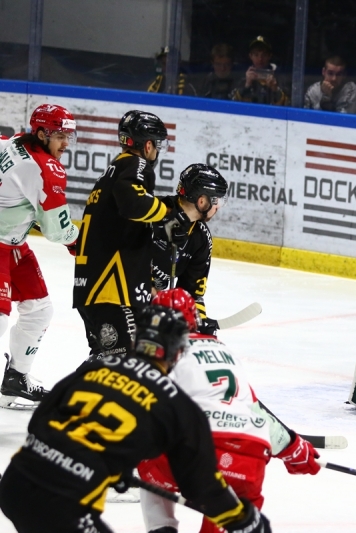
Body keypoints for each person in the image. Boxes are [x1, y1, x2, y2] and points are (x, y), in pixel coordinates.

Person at [0, 305, 270, 533]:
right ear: (178, 352)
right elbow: (199, 483)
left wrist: (105, 461)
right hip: (64, 503)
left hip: (14, 483)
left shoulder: (94, 368)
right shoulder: (175, 404)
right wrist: (243, 518)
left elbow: (41, 419)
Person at [138, 289, 320, 533]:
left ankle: (162, 528)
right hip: (249, 458)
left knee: (146, 451)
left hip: (196, 457)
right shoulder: (225, 351)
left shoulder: (160, 354)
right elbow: (256, 410)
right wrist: (294, 448)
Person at [73, 110, 193, 363]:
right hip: (110, 292)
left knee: (107, 360)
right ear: (147, 145)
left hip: (96, 289)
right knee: (128, 363)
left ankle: (71, 402)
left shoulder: (113, 171)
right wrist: (168, 212)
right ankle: (70, 401)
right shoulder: (135, 164)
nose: (157, 152)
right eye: (157, 145)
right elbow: (133, 204)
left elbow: (127, 216)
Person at [0, 104, 80, 408]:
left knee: (39, 310)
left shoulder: (17, 141)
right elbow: (58, 231)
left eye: (68, 136)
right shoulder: (45, 168)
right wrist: (80, 243)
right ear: (43, 133)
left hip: (14, 244)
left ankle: (16, 378)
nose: (65, 143)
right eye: (60, 135)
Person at [151, 164, 228, 334]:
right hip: (116, 296)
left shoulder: (201, 239)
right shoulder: (152, 212)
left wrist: (197, 319)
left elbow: (192, 292)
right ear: (202, 201)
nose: (218, 207)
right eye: (217, 201)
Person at [232, 36, 288, 106]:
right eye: (256, 55)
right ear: (250, 56)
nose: (260, 59)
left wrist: (275, 90)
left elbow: (288, 105)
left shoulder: (279, 76)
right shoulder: (243, 77)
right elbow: (233, 103)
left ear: (269, 56)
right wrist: (247, 85)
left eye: (264, 55)